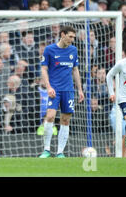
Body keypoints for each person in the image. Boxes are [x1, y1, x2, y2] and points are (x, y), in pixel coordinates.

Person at [39, 26, 84, 158]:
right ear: (62, 35)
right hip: (55, 89)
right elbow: (43, 69)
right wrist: (48, 87)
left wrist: (80, 89)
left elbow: (75, 70)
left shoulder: (73, 50)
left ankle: (60, 152)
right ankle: (46, 149)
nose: (72, 39)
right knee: (50, 116)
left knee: (65, 120)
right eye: (70, 36)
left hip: (68, 90)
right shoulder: (49, 49)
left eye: (73, 37)